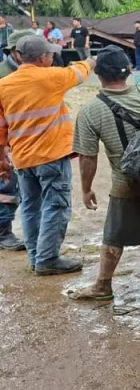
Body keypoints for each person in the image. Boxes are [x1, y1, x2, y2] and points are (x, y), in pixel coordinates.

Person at [71, 48, 140, 300]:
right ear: (130, 71)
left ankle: (103, 285)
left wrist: (86, 188)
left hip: (126, 183)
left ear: (98, 74)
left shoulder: (91, 110)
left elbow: (88, 157)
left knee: (113, 237)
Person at [0, 35, 94, 274]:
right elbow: (80, 73)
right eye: (51, 55)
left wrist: (2, 157)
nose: (53, 58)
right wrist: (92, 60)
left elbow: (1, 127)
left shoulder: (4, 84)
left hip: (22, 159)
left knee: (31, 208)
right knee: (56, 205)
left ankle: (36, 257)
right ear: (43, 58)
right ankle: (48, 259)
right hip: (50, 156)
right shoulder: (50, 77)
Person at [0, 42, 24, 251]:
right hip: (4, 139)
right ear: (16, 52)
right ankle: (3, 233)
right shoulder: (5, 75)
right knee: (6, 186)